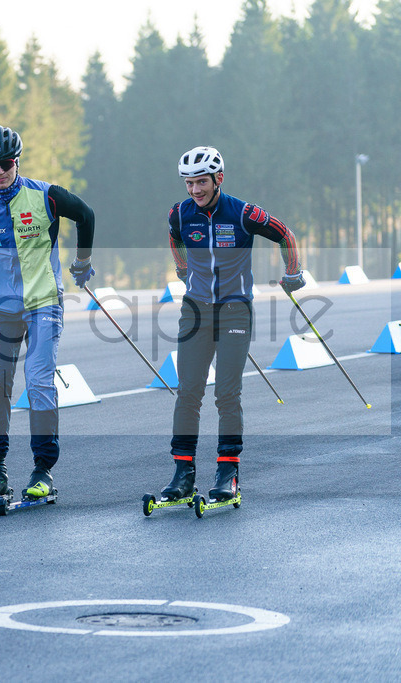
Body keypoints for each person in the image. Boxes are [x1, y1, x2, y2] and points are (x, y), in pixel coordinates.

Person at [161, 145, 303, 503]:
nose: (195, 190)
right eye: (189, 183)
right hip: (195, 309)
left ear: (218, 179)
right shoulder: (180, 213)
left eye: (202, 182)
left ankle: (228, 471)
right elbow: (173, 236)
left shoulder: (242, 213)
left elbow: (285, 234)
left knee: (227, 392)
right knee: (189, 390)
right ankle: (183, 471)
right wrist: (181, 268)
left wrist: (293, 272)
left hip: (235, 310)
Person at [0, 125, 96, 500]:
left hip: (43, 304)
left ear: (17, 161)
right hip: (0, 308)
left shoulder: (46, 196)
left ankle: (42, 469)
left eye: (6, 164)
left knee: (37, 380)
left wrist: (82, 262)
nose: (0, 172)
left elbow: (86, 215)